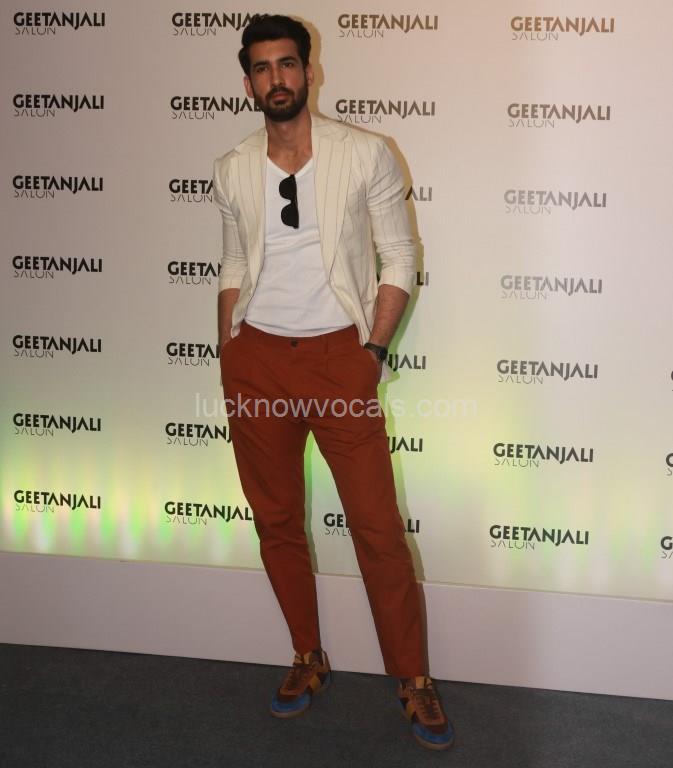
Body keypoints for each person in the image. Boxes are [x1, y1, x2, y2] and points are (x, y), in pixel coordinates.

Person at [212, 13, 454, 751]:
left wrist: (371, 351)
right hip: (256, 360)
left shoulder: (364, 152)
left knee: (377, 528)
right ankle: (306, 655)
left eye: (288, 64)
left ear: (310, 72)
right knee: (276, 520)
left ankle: (412, 676)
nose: (276, 78)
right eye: (262, 67)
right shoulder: (232, 167)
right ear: (248, 82)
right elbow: (233, 262)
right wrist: (228, 347)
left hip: (338, 359)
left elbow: (399, 256)